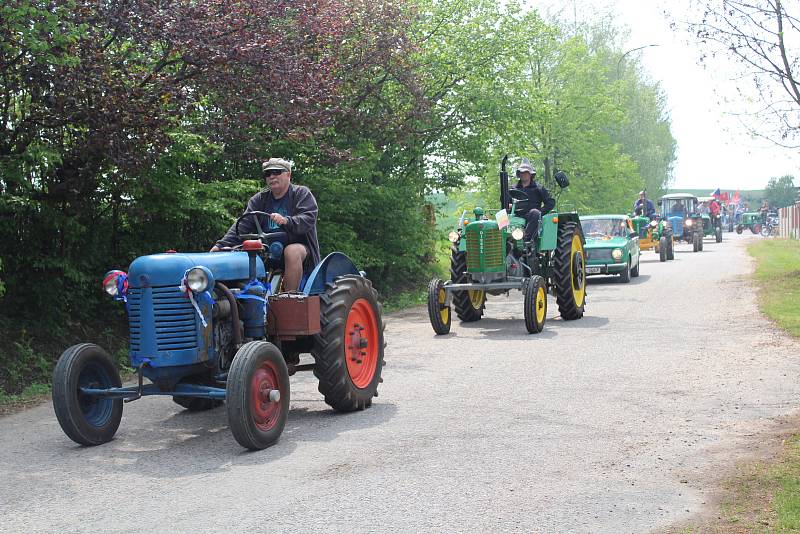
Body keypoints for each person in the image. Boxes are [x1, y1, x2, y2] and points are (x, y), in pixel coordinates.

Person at [211, 158, 320, 292]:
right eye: (268, 174)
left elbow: (308, 219)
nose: (272, 176)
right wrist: (220, 246)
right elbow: (243, 225)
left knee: (291, 251)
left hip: (301, 252)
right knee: (236, 252)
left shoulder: (301, 194)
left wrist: (287, 221)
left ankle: (290, 299)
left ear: (288, 174)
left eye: (276, 172)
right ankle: (242, 299)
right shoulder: (259, 200)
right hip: (267, 251)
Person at [512, 159, 555, 249]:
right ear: (519, 174)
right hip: (515, 217)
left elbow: (550, 203)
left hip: (531, 217)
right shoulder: (513, 189)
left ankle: (524, 240)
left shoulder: (538, 188)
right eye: (521, 172)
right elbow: (505, 203)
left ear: (531, 174)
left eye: (526, 172)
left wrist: (539, 212)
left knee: (535, 213)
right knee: (501, 216)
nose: (523, 174)